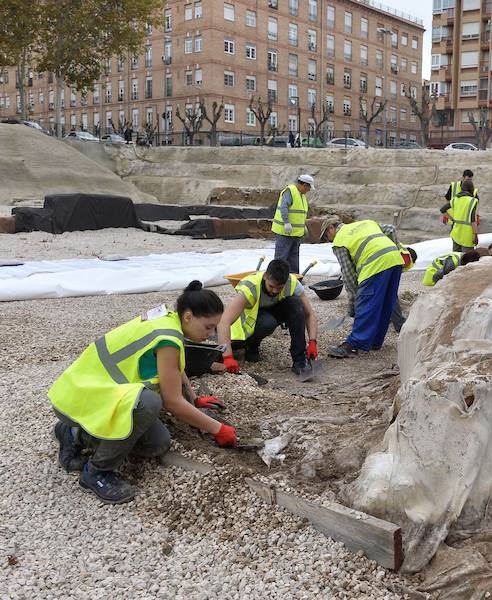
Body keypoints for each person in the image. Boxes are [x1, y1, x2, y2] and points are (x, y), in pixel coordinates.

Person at [49, 282, 236, 504]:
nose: (212, 334)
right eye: (208, 327)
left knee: (156, 443)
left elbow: (174, 367)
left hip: (94, 391)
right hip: (80, 397)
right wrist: (218, 429)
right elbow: (172, 403)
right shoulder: (169, 338)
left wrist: (194, 398)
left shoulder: (167, 317)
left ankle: (73, 434)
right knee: (149, 403)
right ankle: (97, 472)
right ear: (188, 317)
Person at [320, 217, 405, 358]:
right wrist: (396, 249)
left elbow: (348, 275)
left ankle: (353, 344)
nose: (329, 241)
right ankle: (374, 342)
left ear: (331, 228)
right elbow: (391, 229)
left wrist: (354, 301)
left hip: (375, 264)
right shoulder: (366, 223)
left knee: (367, 302)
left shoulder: (339, 241)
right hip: (394, 259)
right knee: (385, 303)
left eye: (327, 237)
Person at [217, 259, 318, 376]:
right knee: (267, 322)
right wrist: (227, 356)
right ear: (265, 276)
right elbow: (223, 321)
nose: (275, 291)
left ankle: (300, 361)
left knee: (295, 303)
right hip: (253, 323)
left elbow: (309, 314)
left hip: (273, 311)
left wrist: (312, 342)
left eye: (280, 287)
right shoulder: (251, 287)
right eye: (271, 286)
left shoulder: (292, 283)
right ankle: (251, 344)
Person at [272, 174, 314, 273]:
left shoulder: (301, 196)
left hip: (296, 233)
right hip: (285, 232)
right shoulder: (290, 191)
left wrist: (303, 227)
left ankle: (294, 279)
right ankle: (277, 278)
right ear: (304, 185)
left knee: (293, 257)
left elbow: (299, 214)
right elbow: (284, 207)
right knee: (281, 257)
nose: (309, 190)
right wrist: (286, 222)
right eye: (308, 188)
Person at [442, 179, 480, 252]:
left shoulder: (455, 199)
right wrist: (475, 234)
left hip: (456, 232)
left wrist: (451, 218)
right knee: (466, 259)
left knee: (456, 257)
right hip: (467, 235)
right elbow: (472, 220)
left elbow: (442, 209)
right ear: (471, 189)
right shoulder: (472, 201)